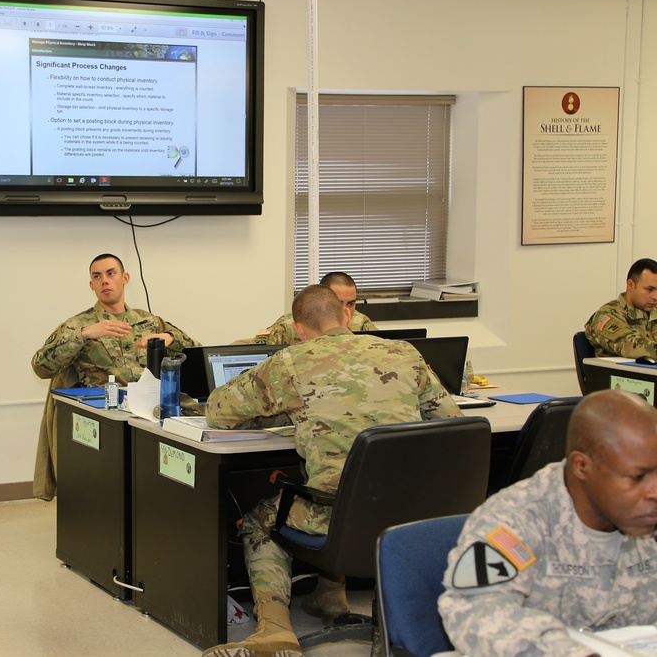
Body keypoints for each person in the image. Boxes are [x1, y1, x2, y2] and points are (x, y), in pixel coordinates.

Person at [200, 285, 462, 657]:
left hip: (336, 518)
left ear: (299, 329)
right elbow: (450, 421)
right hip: (414, 515)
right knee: (339, 492)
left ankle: (274, 631)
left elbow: (217, 410)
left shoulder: (291, 361)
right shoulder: (404, 352)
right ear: (347, 316)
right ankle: (330, 597)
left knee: (262, 518)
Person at [438, 389, 657, 656]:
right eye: (637, 477)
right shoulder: (515, 520)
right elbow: (477, 612)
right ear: (581, 466)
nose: (654, 491)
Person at [31, 253, 201, 387]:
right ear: (92, 285)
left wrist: (170, 339)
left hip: (150, 409)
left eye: (111, 274)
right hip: (102, 413)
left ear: (125, 278)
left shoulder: (150, 322)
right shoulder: (78, 325)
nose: (104, 281)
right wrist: (84, 335)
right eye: (97, 277)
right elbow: (41, 368)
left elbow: (199, 356)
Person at [252, 272, 377, 345]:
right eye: (338, 303)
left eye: (350, 304)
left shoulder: (360, 323)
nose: (345, 311)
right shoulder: (289, 326)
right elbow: (256, 355)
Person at [584, 258, 657, 357]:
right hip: (621, 372)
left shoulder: (653, 311)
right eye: (650, 289)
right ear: (630, 285)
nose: (655, 297)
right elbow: (630, 346)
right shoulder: (607, 315)